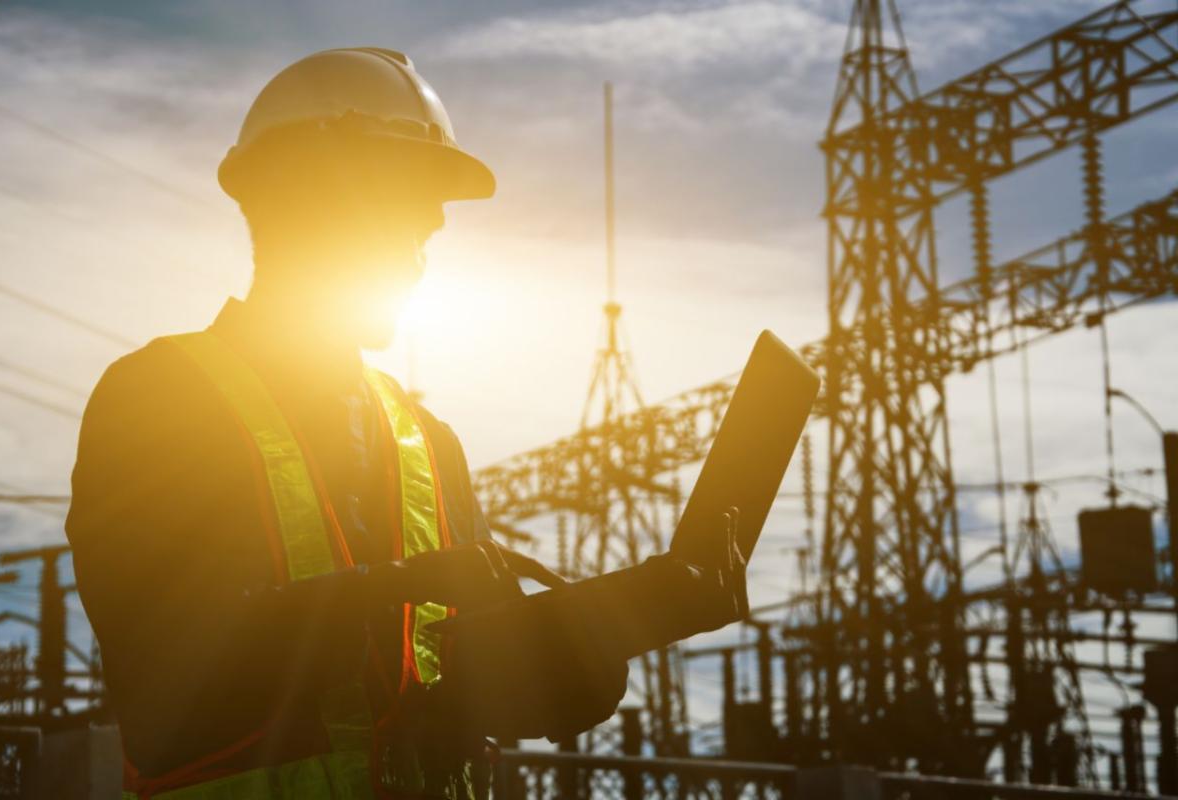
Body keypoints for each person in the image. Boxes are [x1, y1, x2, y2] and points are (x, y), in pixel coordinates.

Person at [66, 48, 745, 800]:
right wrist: (393, 587)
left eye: (430, 218)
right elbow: (170, 659)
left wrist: (590, 642)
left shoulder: (426, 440)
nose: (427, 240)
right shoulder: (163, 398)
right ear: (300, 201)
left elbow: (462, 687)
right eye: (403, 207)